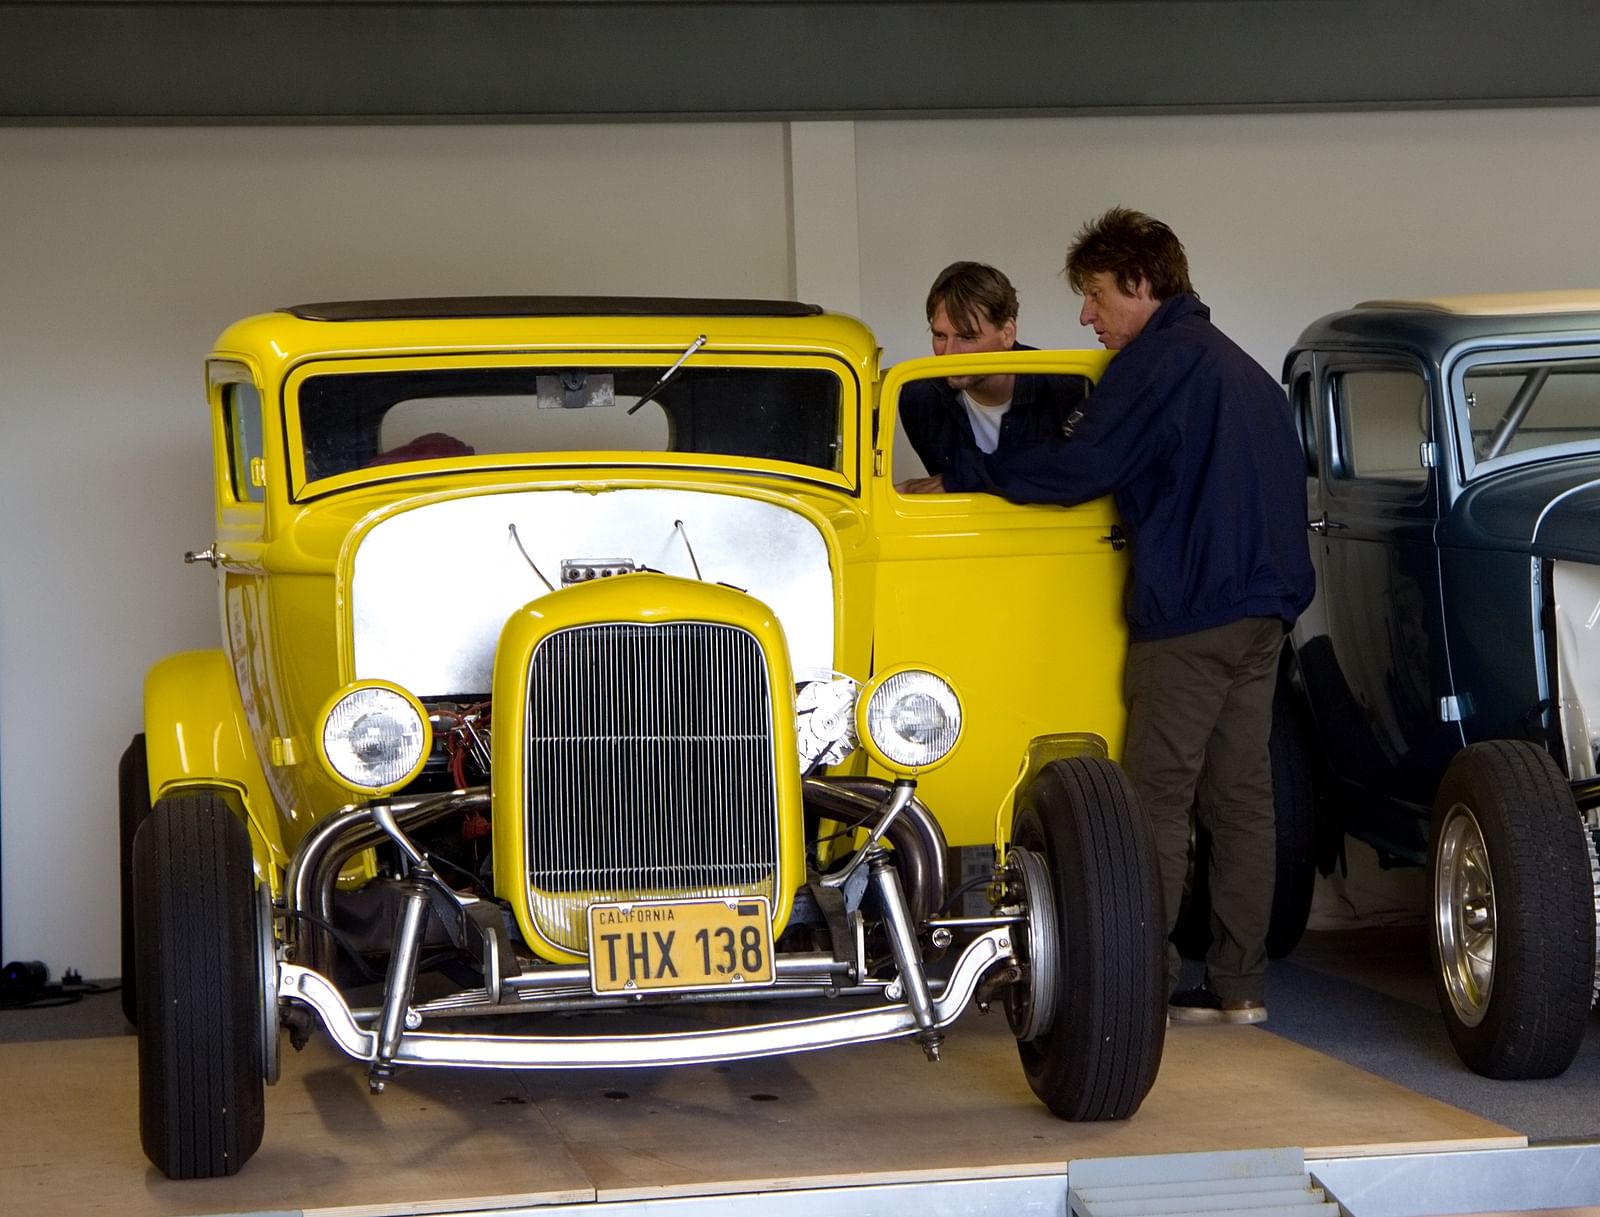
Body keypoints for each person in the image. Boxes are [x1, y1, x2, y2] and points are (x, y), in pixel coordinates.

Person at [906, 208, 1315, 1025]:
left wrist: (973, 481)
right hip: (1267, 614)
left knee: (1154, 799)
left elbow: (1079, 468)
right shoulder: (1243, 370)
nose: (1089, 316)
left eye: (1096, 295)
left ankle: (1144, 980)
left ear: (1140, 283)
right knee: (1241, 797)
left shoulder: (1155, 364)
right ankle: (1240, 986)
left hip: (1191, 615)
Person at [895, 261, 1088, 490]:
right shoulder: (919, 398)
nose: (949, 353)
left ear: (1007, 333)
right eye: (940, 336)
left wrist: (965, 478)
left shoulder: (1068, 390)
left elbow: (1071, 481)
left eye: (967, 337)